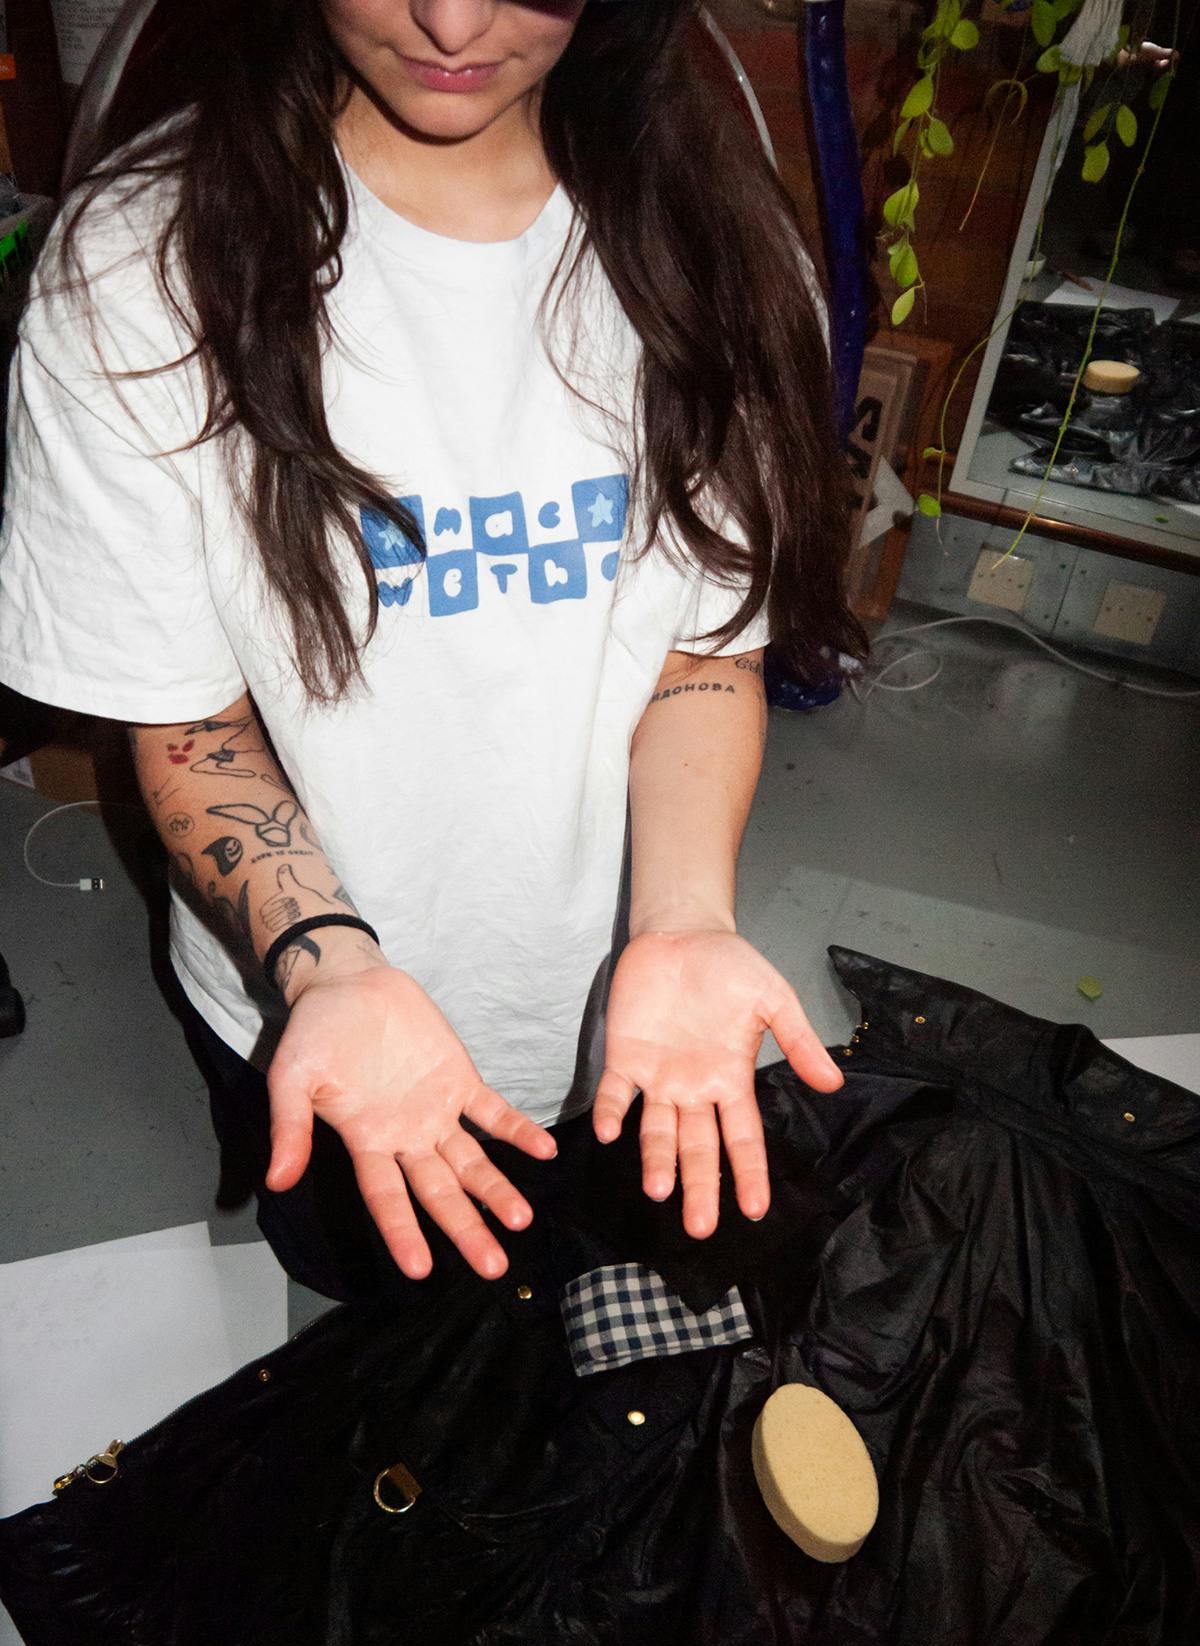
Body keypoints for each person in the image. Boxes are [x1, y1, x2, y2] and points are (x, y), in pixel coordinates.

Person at [0, 0, 865, 1300]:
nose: (452, 19)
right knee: (385, 1335)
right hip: (318, 1009)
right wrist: (334, 968)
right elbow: (189, 723)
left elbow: (701, 655)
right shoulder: (136, 265)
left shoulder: (714, 245)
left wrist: (682, 919)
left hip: (623, 994)